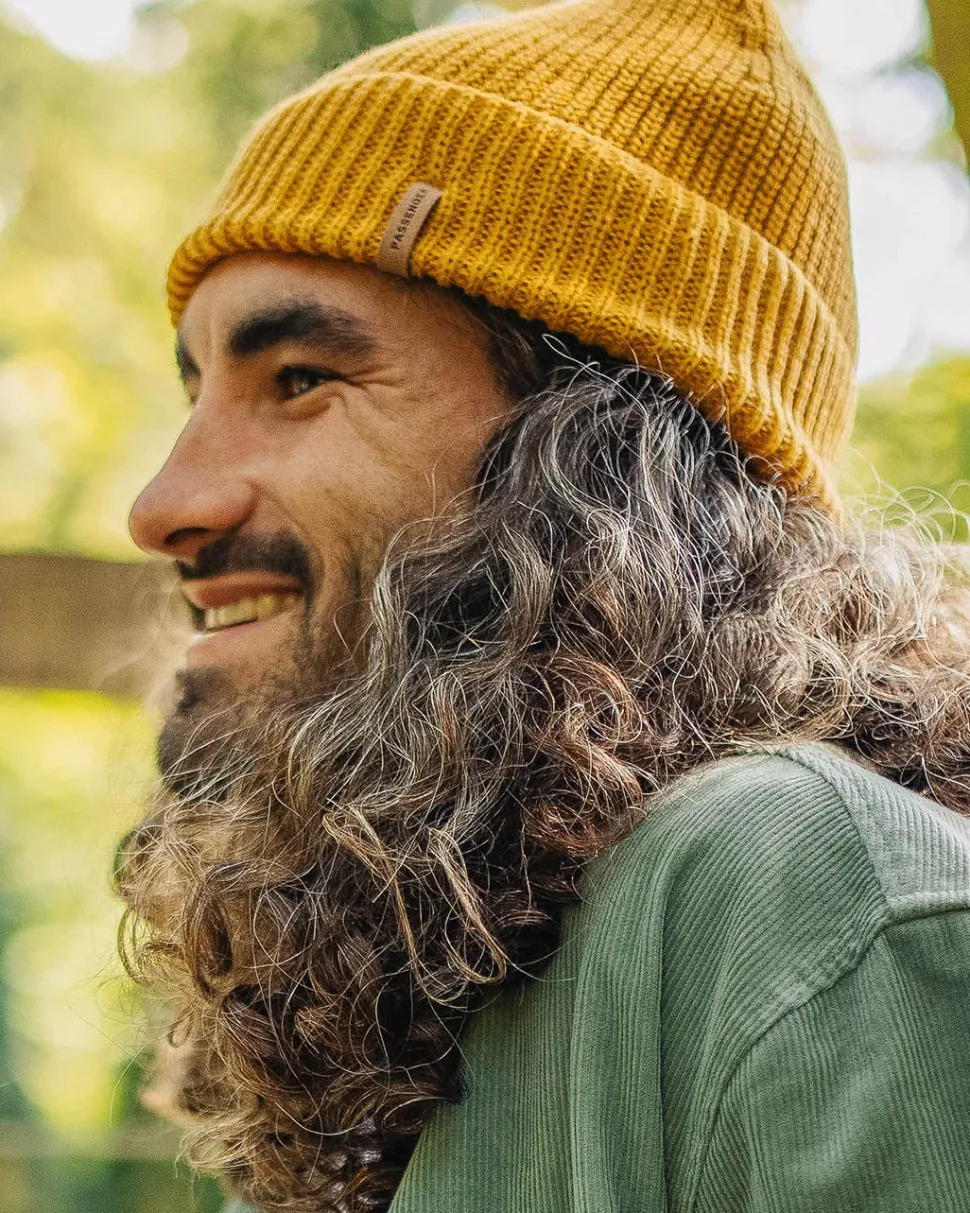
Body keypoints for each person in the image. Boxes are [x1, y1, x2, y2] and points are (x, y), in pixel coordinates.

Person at [118, 0, 970, 1209]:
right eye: (197, 390)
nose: (162, 503)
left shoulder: (795, 886)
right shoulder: (431, 976)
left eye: (301, 377)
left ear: (594, 457)